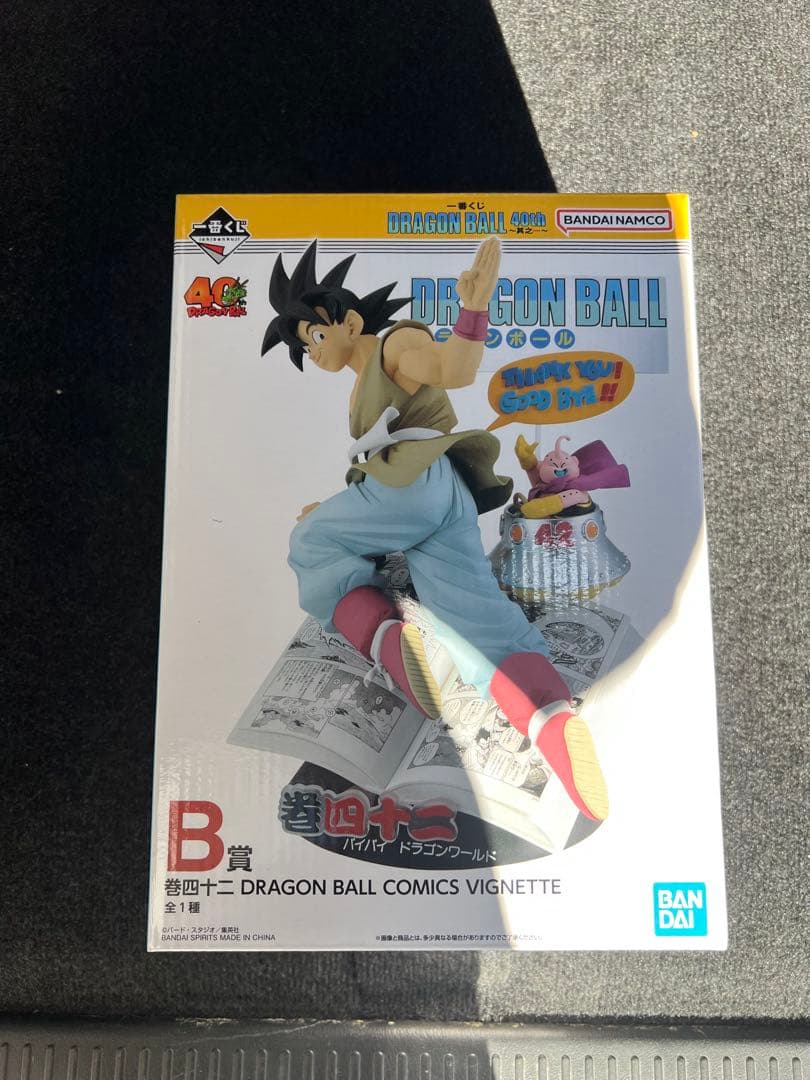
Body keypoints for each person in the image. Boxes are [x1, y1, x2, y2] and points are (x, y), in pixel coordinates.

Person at [261, 239, 608, 821]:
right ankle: (550, 719)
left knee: (311, 544)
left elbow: (455, 369)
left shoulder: (395, 344)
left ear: (349, 321)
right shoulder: (368, 374)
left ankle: (386, 641)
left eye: (315, 335)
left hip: (414, 490)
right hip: (442, 495)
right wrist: (344, 505)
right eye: (305, 347)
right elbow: (386, 461)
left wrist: (473, 310)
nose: (314, 352)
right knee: (476, 620)